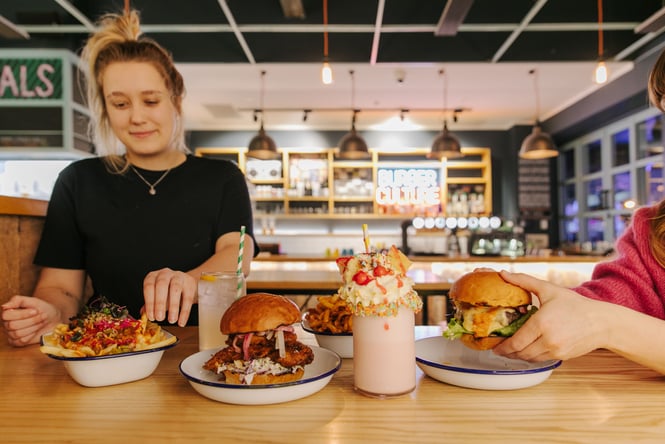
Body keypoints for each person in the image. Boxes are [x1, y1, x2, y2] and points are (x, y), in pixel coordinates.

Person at [1, 9, 258, 346]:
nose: (137, 117)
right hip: (106, 351)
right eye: (120, 104)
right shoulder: (78, 181)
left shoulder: (223, 177)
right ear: (106, 110)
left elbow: (237, 252)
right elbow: (61, 288)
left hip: (200, 351)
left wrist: (191, 281)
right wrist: (47, 314)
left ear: (176, 99)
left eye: (150, 101)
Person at [492, 50, 665, 375]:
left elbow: (604, 318)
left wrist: (606, 325)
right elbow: (611, 300)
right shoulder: (651, 230)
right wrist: (556, 308)